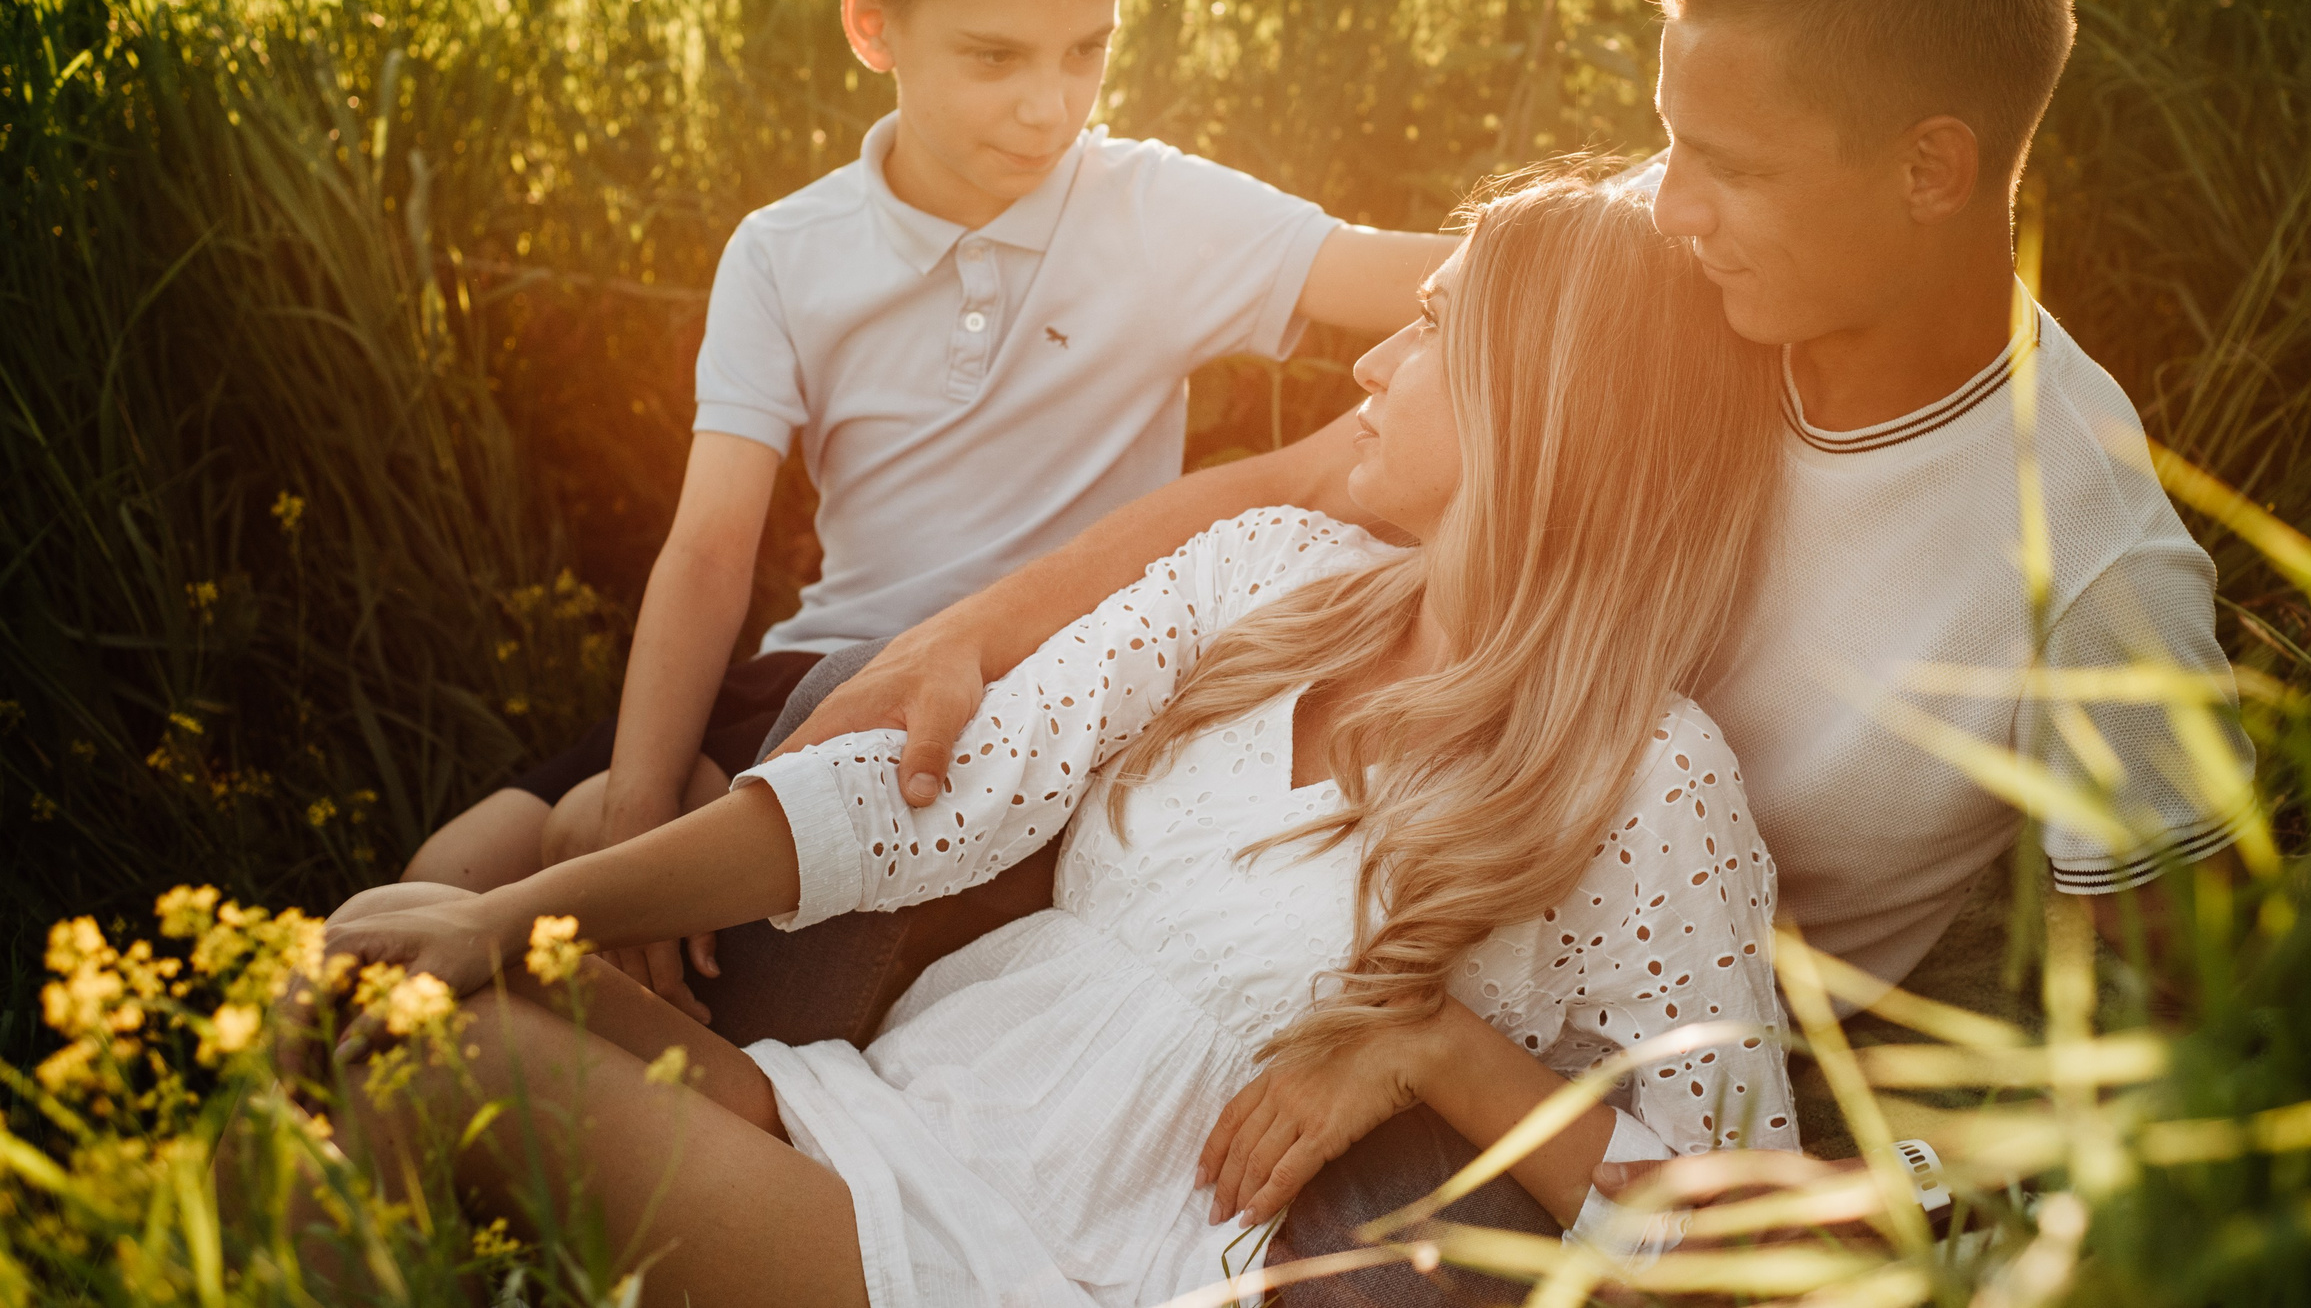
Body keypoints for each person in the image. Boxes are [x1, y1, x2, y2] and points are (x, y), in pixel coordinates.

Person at [759, 0, 2258, 1281]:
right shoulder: (1662, 263)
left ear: (1933, 168)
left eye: (1727, 163)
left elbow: (2152, 1081)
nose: (1663, 204)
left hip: (1601, 1086)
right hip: (1327, 885)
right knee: (872, 736)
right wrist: (965, 632)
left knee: (1363, 1250)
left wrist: (1450, 1059)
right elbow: (1302, 476)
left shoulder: (2091, 561)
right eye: (1670, 140)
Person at [308, 174, 1798, 1308]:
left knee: (445, 1054)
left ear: (1533, 407)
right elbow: (914, 803)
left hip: (1036, 1264)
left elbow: (1730, 1241)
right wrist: (526, 914)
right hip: (871, 1119)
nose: (1370, 367)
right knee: (383, 966)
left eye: (1427, 332)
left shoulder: (1648, 775)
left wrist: (1439, 1048)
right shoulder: (1275, 568)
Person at [400, 0, 1455, 1023]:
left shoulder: (1153, 210)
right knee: (453, 869)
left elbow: (1405, 268)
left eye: (1087, 49)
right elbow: (710, 546)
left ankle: (607, 1134)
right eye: (994, 56)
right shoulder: (787, 252)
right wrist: (638, 788)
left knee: (578, 887)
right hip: (810, 664)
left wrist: (1630, 209)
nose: (1049, 103)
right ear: (873, 25)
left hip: (1012, 692)